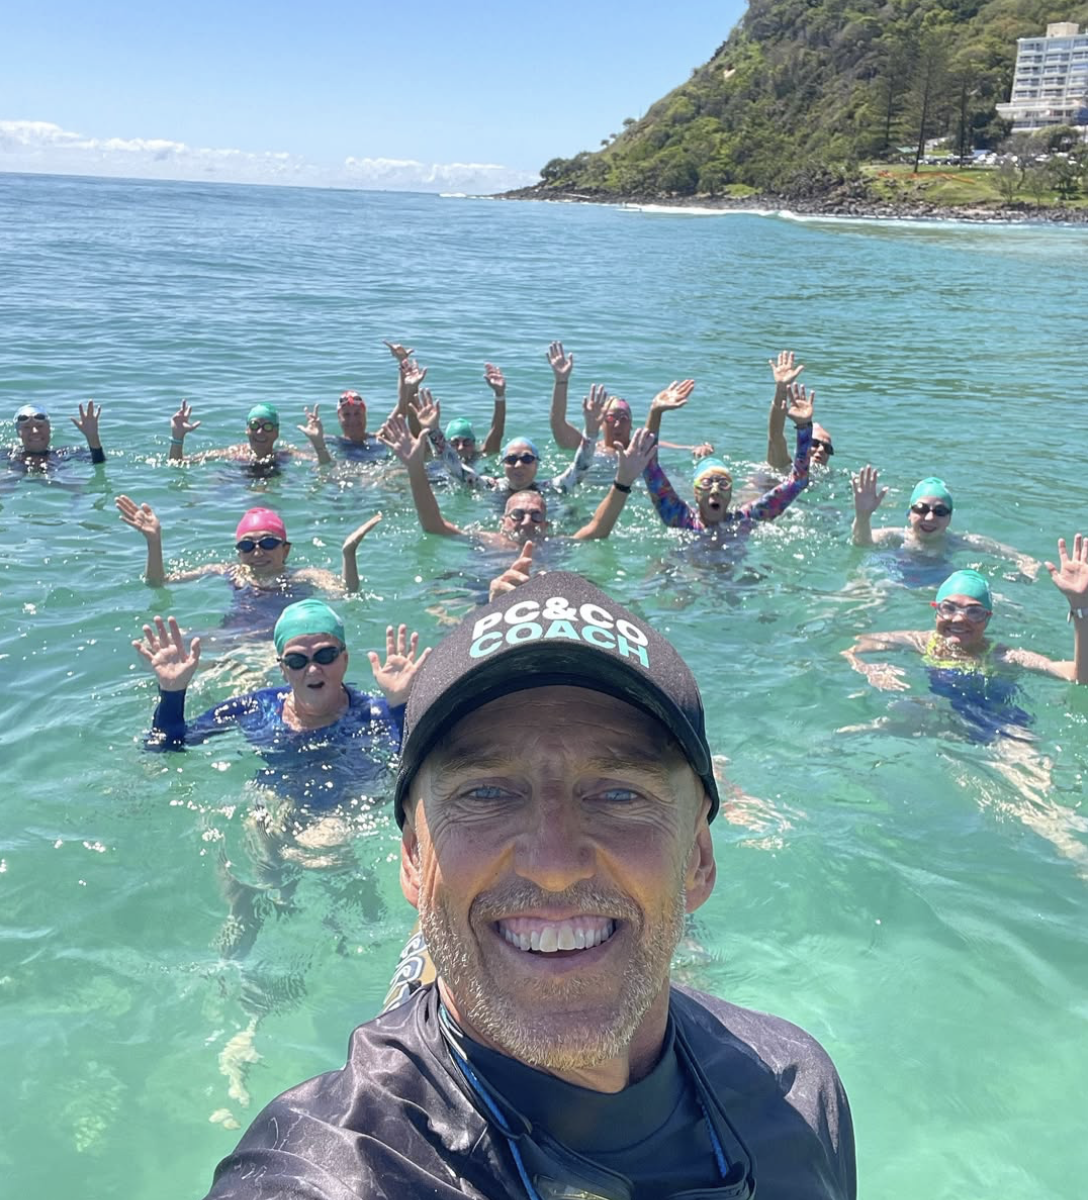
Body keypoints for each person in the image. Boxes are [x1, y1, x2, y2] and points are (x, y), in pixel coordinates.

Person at [202, 571, 856, 1199]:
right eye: (485, 792)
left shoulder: (797, 1091)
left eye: (619, 792)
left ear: (700, 858)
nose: (553, 862)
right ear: (409, 858)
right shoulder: (333, 1169)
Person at [135, 601, 431, 958]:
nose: (312, 668)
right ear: (283, 669)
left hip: (350, 806)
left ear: (344, 659)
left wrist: (400, 704)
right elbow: (167, 746)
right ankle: (244, 917)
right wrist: (172, 692)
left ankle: (350, 930)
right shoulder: (256, 709)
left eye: (324, 655)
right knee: (247, 829)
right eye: (296, 660)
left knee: (324, 842)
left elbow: (420, 764)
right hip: (278, 800)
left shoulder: (375, 714)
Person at [842, 546, 1088, 705]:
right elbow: (850, 646)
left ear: (988, 618)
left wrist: (1080, 607)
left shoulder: (1005, 656)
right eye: (948, 608)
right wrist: (867, 668)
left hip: (996, 724)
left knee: (1034, 775)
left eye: (974, 611)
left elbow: (1079, 676)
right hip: (937, 713)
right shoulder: (920, 641)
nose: (959, 619)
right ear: (935, 610)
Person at [380, 413, 658, 550]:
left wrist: (622, 479)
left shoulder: (552, 499)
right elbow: (435, 522)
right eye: (518, 515)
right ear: (503, 519)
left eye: (536, 516)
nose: (527, 522)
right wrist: (418, 465)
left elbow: (596, 523)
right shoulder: (491, 525)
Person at [114, 500, 381, 626]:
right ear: (238, 552)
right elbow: (158, 583)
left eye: (267, 543)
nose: (257, 553)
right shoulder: (228, 571)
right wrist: (154, 542)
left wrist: (348, 555)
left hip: (275, 642)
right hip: (232, 636)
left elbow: (346, 595)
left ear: (285, 550)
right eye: (246, 546)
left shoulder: (304, 575)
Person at [642, 381, 813, 538]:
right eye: (707, 483)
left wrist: (804, 427)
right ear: (695, 493)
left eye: (723, 483)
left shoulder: (745, 519)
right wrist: (655, 411)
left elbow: (798, 481)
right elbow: (648, 466)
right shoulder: (680, 518)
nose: (715, 489)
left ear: (731, 494)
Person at [851, 468, 1039, 578]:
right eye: (922, 509)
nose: (930, 518)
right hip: (894, 578)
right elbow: (862, 542)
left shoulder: (957, 541)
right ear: (909, 514)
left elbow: (1012, 554)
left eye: (940, 512)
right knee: (865, 595)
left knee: (998, 604)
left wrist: (1027, 565)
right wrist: (862, 516)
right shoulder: (895, 536)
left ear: (949, 519)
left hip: (937, 582)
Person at [418, 382, 598, 495]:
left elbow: (580, 469)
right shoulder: (491, 487)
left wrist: (590, 433)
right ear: (503, 464)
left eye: (527, 459)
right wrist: (433, 430)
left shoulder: (550, 488)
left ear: (537, 463)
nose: (519, 465)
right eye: (511, 459)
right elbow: (454, 466)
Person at [548, 342, 712, 457]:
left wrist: (699, 448)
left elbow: (681, 448)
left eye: (624, 418)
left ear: (632, 425)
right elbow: (558, 423)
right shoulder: (587, 448)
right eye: (611, 418)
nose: (618, 424)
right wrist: (561, 381)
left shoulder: (640, 446)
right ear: (601, 423)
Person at [168, 401, 316, 471]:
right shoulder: (234, 453)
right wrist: (178, 438)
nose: (260, 432)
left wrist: (319, 443)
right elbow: (178, 463)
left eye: (268, 427)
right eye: (254, 425)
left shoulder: (285, 456)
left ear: (276, 433)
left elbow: (324, 464)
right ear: (247, 430)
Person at [765, 351, 835, 472]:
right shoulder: (784, 466)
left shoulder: (827, 478)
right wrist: (781, 390)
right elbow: (775, 437)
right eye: (815, 443)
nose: (822, 450)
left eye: (828, 448)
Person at [7, 401, 106, 473]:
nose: (35, 431)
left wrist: (92, 437)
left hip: (55, 478)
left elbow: (99, 464)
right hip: (17, 476)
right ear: (18, 433)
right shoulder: (9, 456)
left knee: (76, 486)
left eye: (40, 426)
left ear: (49, 429)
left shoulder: (64, 453)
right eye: (27, 427)